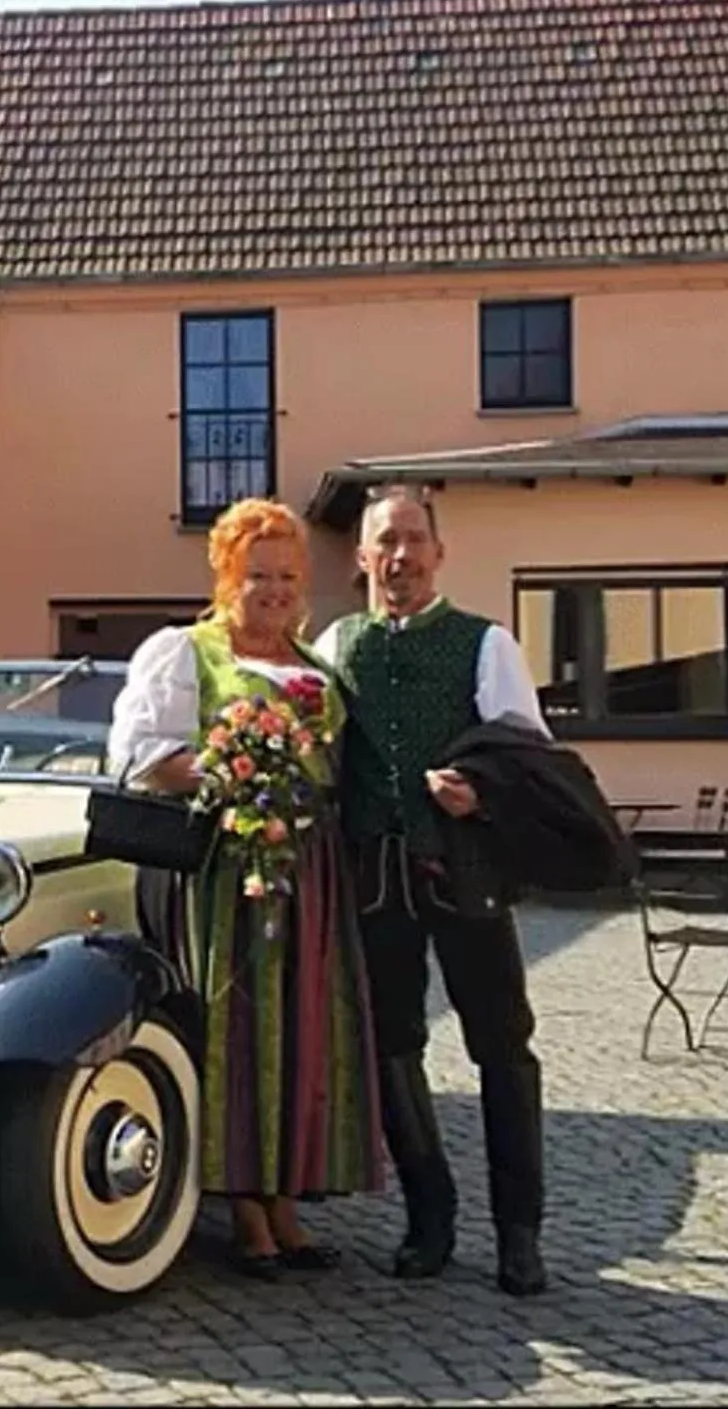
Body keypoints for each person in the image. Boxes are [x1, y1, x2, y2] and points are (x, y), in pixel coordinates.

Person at [106, 497, 385, 1279]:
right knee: (238, 1028)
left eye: (289, 576)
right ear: (228, 575)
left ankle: (288, 1201)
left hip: (312, 873)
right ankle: (246, 1216)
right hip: (226, 872)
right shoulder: (185, 651)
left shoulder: (316, 664)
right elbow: (147, 763)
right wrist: (238, 767)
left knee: (299, 1030)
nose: (275, 589)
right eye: (258, 573)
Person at [311, 484, 557, 1297]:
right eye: (386, 542)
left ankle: (519, 1235)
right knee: (390, 1050)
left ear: (438, 554)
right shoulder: (335, 643)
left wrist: (481, 795)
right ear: (362, 557)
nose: (400, 557)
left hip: (466, 872)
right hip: (373, 878)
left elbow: (531, 761)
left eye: (414, 541)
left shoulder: (485, 644)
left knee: (502, 1048)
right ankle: (431, 1217)